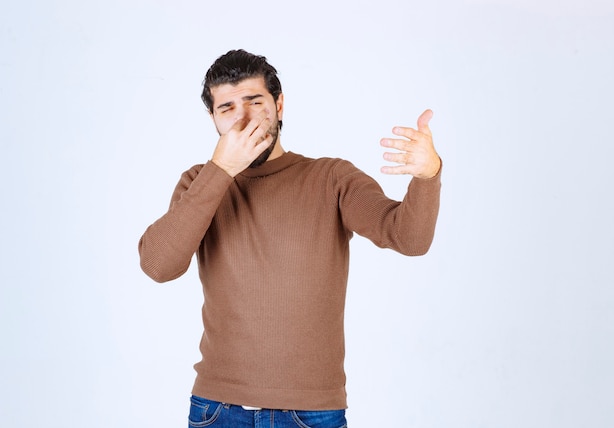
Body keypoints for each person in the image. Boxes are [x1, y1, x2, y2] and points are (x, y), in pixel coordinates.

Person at [138, 49, 442, 428]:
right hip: (217, 410)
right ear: (213, 119)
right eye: (227, 108)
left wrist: (428, 176)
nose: (244, 118)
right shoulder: (199, 182)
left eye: (254, 101)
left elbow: (408, 238)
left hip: (311, 413)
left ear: (279, 105)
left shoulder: (331, 178)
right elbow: (158, 265)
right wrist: (220, 171)